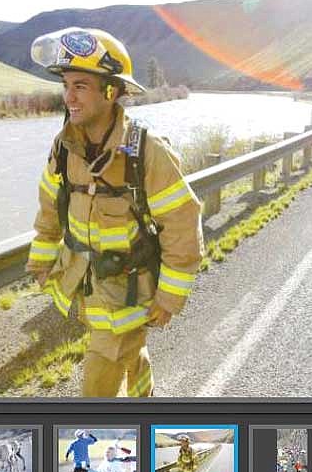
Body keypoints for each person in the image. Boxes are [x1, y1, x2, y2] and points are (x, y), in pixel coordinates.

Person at [25, 27, 204, 398]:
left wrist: (169, 296)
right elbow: (49, 207)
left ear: (112, 91)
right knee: (129, 350)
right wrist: (41, 262)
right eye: (66, 86)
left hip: (129, 290)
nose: (68, 97)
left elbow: (183, 224)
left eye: (80, 86)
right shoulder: (64, 147)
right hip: (86, 286)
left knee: (101, 374)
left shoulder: (147, 152)